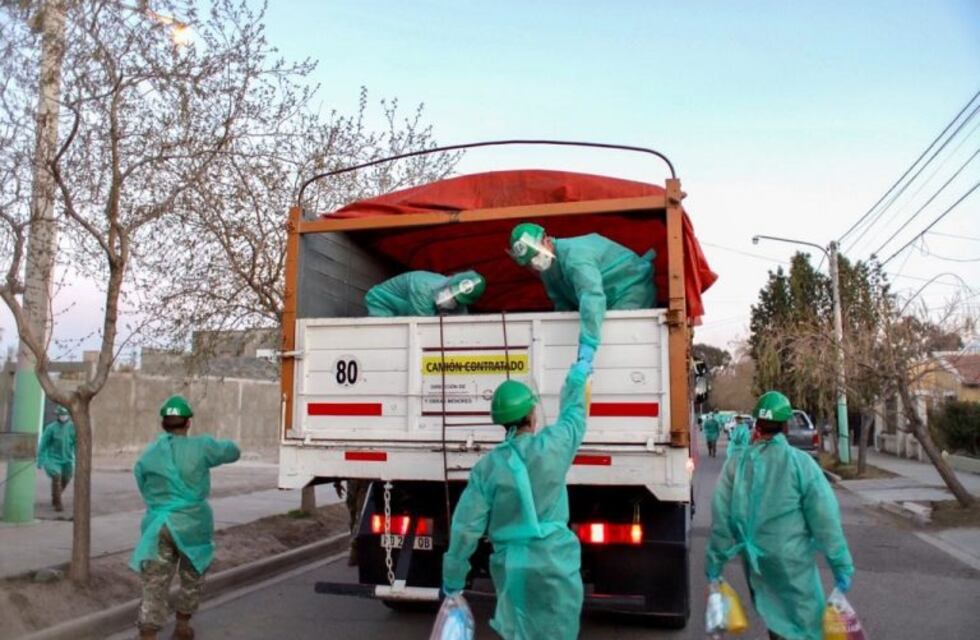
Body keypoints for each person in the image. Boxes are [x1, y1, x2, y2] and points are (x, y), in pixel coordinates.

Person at [442, 357, 592, 640]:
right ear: (533, 415)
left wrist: (453, 581)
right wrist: (579, 374)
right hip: (556, 564)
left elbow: (465, 528)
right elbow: (574, 416)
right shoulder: (554, 448)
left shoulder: (487, 468)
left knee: (519, 632)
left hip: (513, 571)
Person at [705, 391, 854, 640]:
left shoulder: (736, 465)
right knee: (802, 625)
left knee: (774, 618)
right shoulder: (801, 464)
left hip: (756, 564)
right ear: (786, 426)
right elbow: (825, 520)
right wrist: (841, 565)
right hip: (792, 563)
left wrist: (715, 564)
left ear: (756, 424)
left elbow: (721, 519)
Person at [130, 395, 241, 640]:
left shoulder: (150, 454)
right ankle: (182, 626)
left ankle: (147, 633)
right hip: (193, 526)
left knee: (155, 581)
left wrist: (161, 504)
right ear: (188, 423)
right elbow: (233, 452)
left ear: (163, 424)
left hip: (158, 525)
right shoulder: (202, 447)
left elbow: (142, 481)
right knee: (192, 576)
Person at [508, 222, 654, 362]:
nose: (536, 263)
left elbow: (592, 296)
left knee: (619, 345)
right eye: (530, 262)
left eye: (536, 255)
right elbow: (560, 302)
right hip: (604, 297)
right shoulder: (547, 270)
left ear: (546, 240)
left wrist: (587, 346)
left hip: (630, 288)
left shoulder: (575, 256)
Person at [363, 270, 486, 317]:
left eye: (457, 299)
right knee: (386, 339)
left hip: (408, 310)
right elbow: (424, 327)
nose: (450, 298)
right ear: (450, 281)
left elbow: (460, 327)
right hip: (383, 304)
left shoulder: (460, 307)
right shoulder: (422, 287)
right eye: (450, 292)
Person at [37, 405, 76, 512]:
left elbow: (77, 444)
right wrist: (40, 459)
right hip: (53, 458)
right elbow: (43, 445)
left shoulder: (73, 428)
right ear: (57, 415)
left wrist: (79, 458)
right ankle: (58, 504)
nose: (63, 417)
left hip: (68, 458)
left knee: (66, 478)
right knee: (56, 477)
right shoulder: (51, 428)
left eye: (65, 415)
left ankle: (55, 496)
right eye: (61, 415)